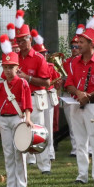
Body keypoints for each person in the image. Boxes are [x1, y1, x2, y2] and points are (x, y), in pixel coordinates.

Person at [65, 13, 94, 185]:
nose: (78, 45)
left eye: (82, 42)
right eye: (78, 42)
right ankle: (82, 175)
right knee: (79, 141)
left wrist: (88, 96)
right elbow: (68, 83)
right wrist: (78, 93)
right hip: (76, 104)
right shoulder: (73, 62)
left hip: (93, 105)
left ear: (92, 44)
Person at [0, 35, 34, 187]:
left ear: (17, 68)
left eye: (11, 67)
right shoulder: (1, 86)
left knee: (19, 152)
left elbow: (27, 104)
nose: (8, 70)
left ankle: (21, 186)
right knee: (8, 152)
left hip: (17, 119)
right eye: (6, 67)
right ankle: (11, 185)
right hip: (3, 120)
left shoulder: (22, 83)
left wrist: (27, 119)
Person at [14, 10, 51, 174]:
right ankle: (24, 164)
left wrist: (27, 79)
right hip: (19, 100)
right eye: (19, 41)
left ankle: (45, 166)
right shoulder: (14, 58)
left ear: (30, 39)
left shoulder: (38, 58)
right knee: (22, 130)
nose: (21, 43)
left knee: (39, 130)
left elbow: (47, 82)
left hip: (35, 97)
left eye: (24, 40)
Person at [31, 29, 60, 162]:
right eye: (42, 53)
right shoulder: (36, 63)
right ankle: (33, 153)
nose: (44, 55)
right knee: (36, 125)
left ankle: (50, 152)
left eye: (45, 53)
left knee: (48, 125)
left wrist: (57, 84)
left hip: (49, 96)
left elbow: (56, 82)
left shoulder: (50, 65)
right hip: (38, 95)